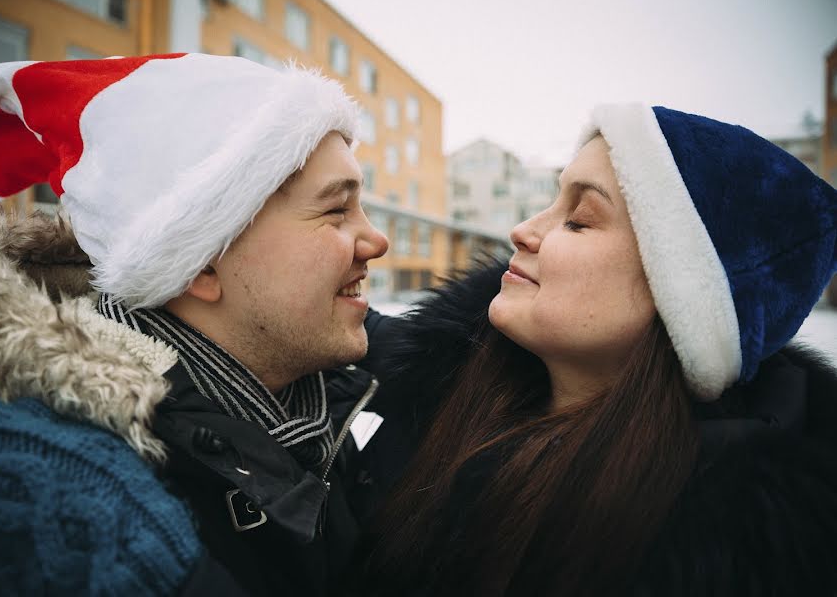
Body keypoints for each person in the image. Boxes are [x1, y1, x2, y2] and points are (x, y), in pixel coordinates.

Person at [0, 54, 388, 595]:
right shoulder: (63, 492)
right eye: (336, 210)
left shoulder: (325, 404)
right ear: (201, 262)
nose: (376, 240)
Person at [349, 104, 837, 596]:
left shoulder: (723, 551)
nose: (523, 230)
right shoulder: (435, 377)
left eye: (579, 220)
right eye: (551, 202)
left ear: (685, 295)